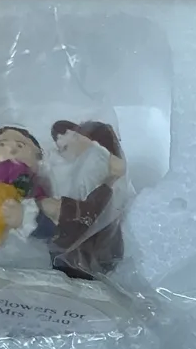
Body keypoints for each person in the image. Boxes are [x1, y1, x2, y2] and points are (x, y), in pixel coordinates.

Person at [40, 120, 131, 279]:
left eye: (72, 137)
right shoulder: (70, 165)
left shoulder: (96, 156)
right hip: (78, 235)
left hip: (91, 236)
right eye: (62, 147)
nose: (62, 148)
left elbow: (95, 206)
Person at [0, 126, 55, 270]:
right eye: (2, 144)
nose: (11, 150)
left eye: (20, 146)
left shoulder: (35, 197)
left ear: (37, 161)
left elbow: (51, 233)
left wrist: (25, 218)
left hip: (31, 268)